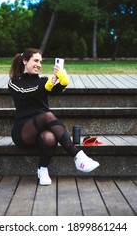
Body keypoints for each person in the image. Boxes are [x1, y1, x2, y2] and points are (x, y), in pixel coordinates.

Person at [8, 48, 99, 186]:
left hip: (41, 131)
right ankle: (77, 155)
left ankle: (42, 170)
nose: (39, 64)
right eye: (36, 60)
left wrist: (62, 81)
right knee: (46, 115)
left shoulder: (43, 81)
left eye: (41, 62)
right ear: (25, 61)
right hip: (23, 132)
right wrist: (47, 85)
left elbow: (54, 91)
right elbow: (26, 92)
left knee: (49, 137)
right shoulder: (15, 82)